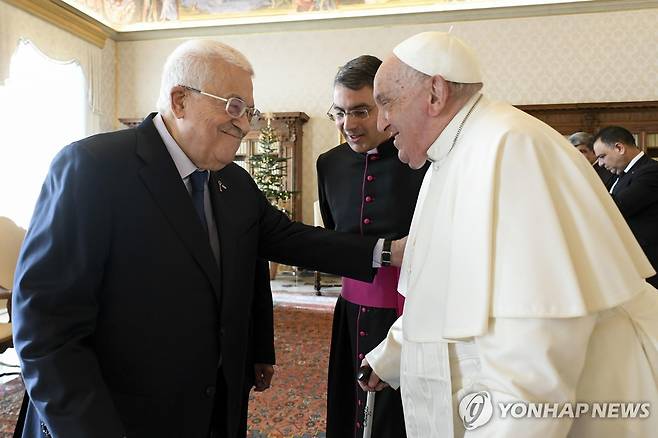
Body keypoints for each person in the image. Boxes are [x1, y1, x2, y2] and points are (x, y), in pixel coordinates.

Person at [11, 39, 402, 438]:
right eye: (233, 106)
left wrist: (389, 251)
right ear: (180, 100)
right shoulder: (92, 169)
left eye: (248, 111)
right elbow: (47, 329)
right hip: (121, 417)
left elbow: (293, 239)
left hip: (216, 411)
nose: (244, 123)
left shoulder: (233, 182)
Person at [359, 31, 658, 437]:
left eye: (386, 103)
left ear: (434, 93)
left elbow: (535, 364)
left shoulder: (512, 150)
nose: (381, 122)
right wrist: (392, 355)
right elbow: (442, 292)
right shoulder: (450, 157)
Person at [318, 55, 426, 438]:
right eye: (339, 112)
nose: (348, 124)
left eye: (360, 110)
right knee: (350, 407)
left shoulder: (421, 160)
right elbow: (334, 235)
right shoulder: (328, 164)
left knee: (398, 416)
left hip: (410, 312)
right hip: (351, 311)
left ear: (385, 104)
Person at [592, 126, 658, 288]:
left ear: (619, 148)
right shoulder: (621, 174)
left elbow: (617, 207)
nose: (600, 164)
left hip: (650, 261)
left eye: (602, 156)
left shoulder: (651, 171)